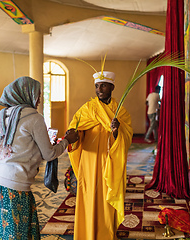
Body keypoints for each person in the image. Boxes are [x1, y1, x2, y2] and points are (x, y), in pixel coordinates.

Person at [0, 76, 79, 239]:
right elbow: (49, 154)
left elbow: (17, 145)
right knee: (17, 234)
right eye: (37, 94)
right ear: (25, 94)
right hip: (15, 186)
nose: (39, 99)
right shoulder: (34, 118)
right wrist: (67, 141)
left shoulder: (2, 115)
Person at [68, 70, 133, 240]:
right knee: (89, 195)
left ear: (112, 87)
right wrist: (72, 135)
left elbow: (127, 138)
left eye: (103, 85)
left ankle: (106, 233)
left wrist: (117, 130)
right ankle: (86, 233)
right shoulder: (87, 109)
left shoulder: (121, 112)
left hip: (109, 162)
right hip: (89, 161)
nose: (99, 89)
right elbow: (75, 133)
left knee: (105, 197)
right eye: (97, 86)